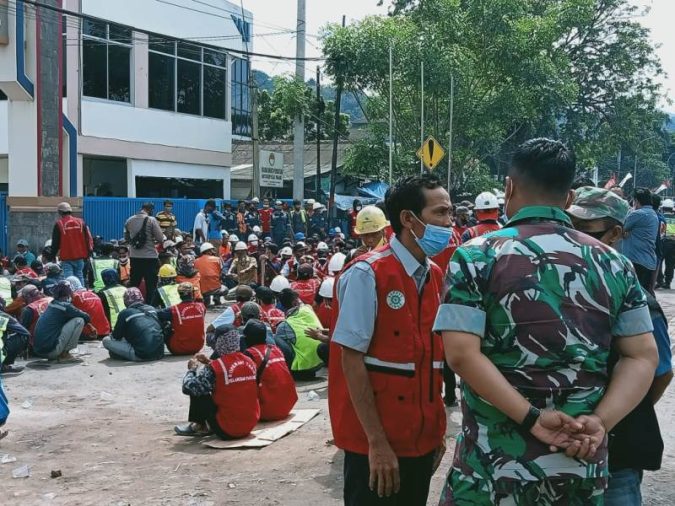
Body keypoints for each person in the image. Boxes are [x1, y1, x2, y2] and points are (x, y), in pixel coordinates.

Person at [434, 139, 658, 505]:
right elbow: (642, 356)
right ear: (569, 199)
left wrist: (532, 419)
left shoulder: (476, 256)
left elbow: (461, 355)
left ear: (508, 187)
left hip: (492, 470)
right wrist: (601, 421)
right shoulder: (615, 263)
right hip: (580, 465)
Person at [329, 172, 449, 506]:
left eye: (449, 212)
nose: (449, 222)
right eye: (440, 213)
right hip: (377, 445)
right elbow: (350, 361)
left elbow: (431, 362)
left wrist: (436, 430)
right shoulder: (367, 274)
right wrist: (377, 443)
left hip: (421, 440)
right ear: (408, 219)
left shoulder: (435, 276)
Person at [567, 186, 673, 505]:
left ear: (615, 233)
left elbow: (659, 372)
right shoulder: (554, 286)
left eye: (588, 232)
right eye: (569, 230)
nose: (576, 241)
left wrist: (620, 408)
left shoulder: (638, 301)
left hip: (616, 456)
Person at [175, 326, 260, 439]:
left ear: (219, 342)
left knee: (200, 388)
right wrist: (209, 362)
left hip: (227, 429)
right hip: (250, 424)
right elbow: (232, 373)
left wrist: (192, 370)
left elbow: (188, 387)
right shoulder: (249, 361)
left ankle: (200, 426)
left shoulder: (216, 367)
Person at [243, 319, 298, 421]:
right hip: (288, 405)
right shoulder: (275, 348)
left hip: (268, 410)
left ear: (247, 338)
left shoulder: (250, 354)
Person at [274, 289, 328, 378]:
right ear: (296, 302)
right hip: (321, 360)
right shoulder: (308, 309)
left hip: (304, 367)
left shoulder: (283, 326)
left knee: (275, 337)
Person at [102, 288, 165, 362]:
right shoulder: (151, 309)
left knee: (106, 340)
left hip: (141, 355)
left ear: (125, 300)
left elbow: (116, 336)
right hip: (160, 353)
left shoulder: (125, 313)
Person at [33, 281, 90, 362]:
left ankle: (62, 352)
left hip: (39, 351)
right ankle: (65, 355)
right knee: (79, 320)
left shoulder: (52, 304)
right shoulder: (65, 306)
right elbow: (87, 317)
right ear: (68, 293)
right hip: (51, 352)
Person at [620, 187, 659, 293]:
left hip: (636, 261)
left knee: (633, 294)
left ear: (636, 200)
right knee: (646, 294)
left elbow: (619, 229)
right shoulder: (652, 213)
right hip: (647, 260)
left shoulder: (637, 214)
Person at [124, 202, 163, 303]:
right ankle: (150, 306)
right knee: (151, 286)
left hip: (134, 257)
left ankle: (132, 303)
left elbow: (127, 238)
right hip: (150, 258)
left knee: (134, 283)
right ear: (150, 210)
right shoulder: (151, 220)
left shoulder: (129, 220)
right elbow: (160, 238)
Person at [51, 202, 93, 285]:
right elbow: (88, 238)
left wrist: (52, 256)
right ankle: (81, 293)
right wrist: (89, 253)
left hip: (66, 257)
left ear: (60, 212)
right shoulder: (81, 222)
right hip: (80, 256)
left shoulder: (59, 224)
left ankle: (71, 296)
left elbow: (55, 242)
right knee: (80, 275)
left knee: (69, 278)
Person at [158, 282, 206, 356]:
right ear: (192, 294)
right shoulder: (201, 307)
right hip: (198, 347)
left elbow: (158, 314)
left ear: (179, 295)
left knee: (165, 325)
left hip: (178, 349)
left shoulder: (173, 309)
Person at [0, 296, 30, 375]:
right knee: (22, 336)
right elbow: (25, 333)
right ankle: (4, 366)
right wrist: (25, 350)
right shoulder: (3, 316)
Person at [195, 242, 225, 307]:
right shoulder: (217, 259)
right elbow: (222, 273)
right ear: (208, 251)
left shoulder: (195, 261)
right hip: (215, 288)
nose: (213, 251)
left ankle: (206, 298)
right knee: (225, 289)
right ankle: (216, 297)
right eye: (212, 250)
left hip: (202, 289)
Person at [660, 198, 675, 289]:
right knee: (670, 263)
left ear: (663, 208)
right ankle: (668, 282)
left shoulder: (661, 217)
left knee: (658, 262)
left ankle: (660, 280)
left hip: (663, 242)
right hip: (673, 243)